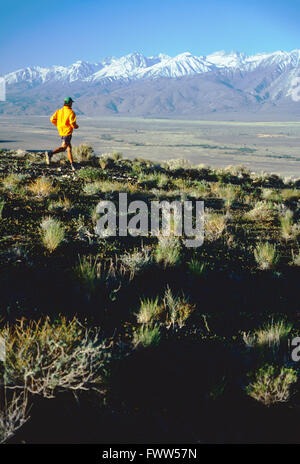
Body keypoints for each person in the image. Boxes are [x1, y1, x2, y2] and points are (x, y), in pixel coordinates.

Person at [46, 97, 79, 171]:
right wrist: (76, 127)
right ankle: (50, 153)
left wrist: (57, 124)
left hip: (61, 131)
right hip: (67, 132)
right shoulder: (71, 112)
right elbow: (72, 123)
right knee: (64, 148)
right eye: (71, 103)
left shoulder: (59, 111)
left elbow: (52, 119)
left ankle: (72, 164)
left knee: (69, 148)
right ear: (70, 103)